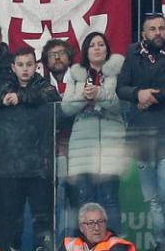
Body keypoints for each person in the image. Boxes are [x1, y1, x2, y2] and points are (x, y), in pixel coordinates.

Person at [116, 14, 165, 251]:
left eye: (162, 28)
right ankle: (161, 243)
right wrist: (136, 94)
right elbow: (121, 87)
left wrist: (150, 96)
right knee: (152, 199)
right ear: (143, 34)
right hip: (142, 133)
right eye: (152, 29)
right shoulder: (132, 52)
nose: (158, 33)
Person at [0, 46, 59, 251]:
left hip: (39, 168)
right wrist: (4, 98)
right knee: (10, 222)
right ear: (13, 67)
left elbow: (52, 97)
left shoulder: (44, 86)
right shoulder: (4, 86)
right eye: (20, 65)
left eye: (29, 64)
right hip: (9, 168)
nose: (25, 69)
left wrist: (22, 97)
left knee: (43, 221)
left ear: (36, 66)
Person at [60, 32, 127, 234]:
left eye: (101, 44)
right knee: (84, 198)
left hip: (111, 141)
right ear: (86, 51)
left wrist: (100, 94)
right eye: (92, 45)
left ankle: (114, 245)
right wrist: (83, 95)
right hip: (82, 143)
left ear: (107, 49)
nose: (97, 48)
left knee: (110, 198)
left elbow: (120, 106)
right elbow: (65, 108)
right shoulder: (76, 73)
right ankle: (84, 243)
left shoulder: (118, 72)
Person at [63, 202, 134, 251]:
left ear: (106, 224)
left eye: (100, 222)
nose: (97, 228)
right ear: (81, 227)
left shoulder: (117, 246)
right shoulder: (69, 245)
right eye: (91, 223)